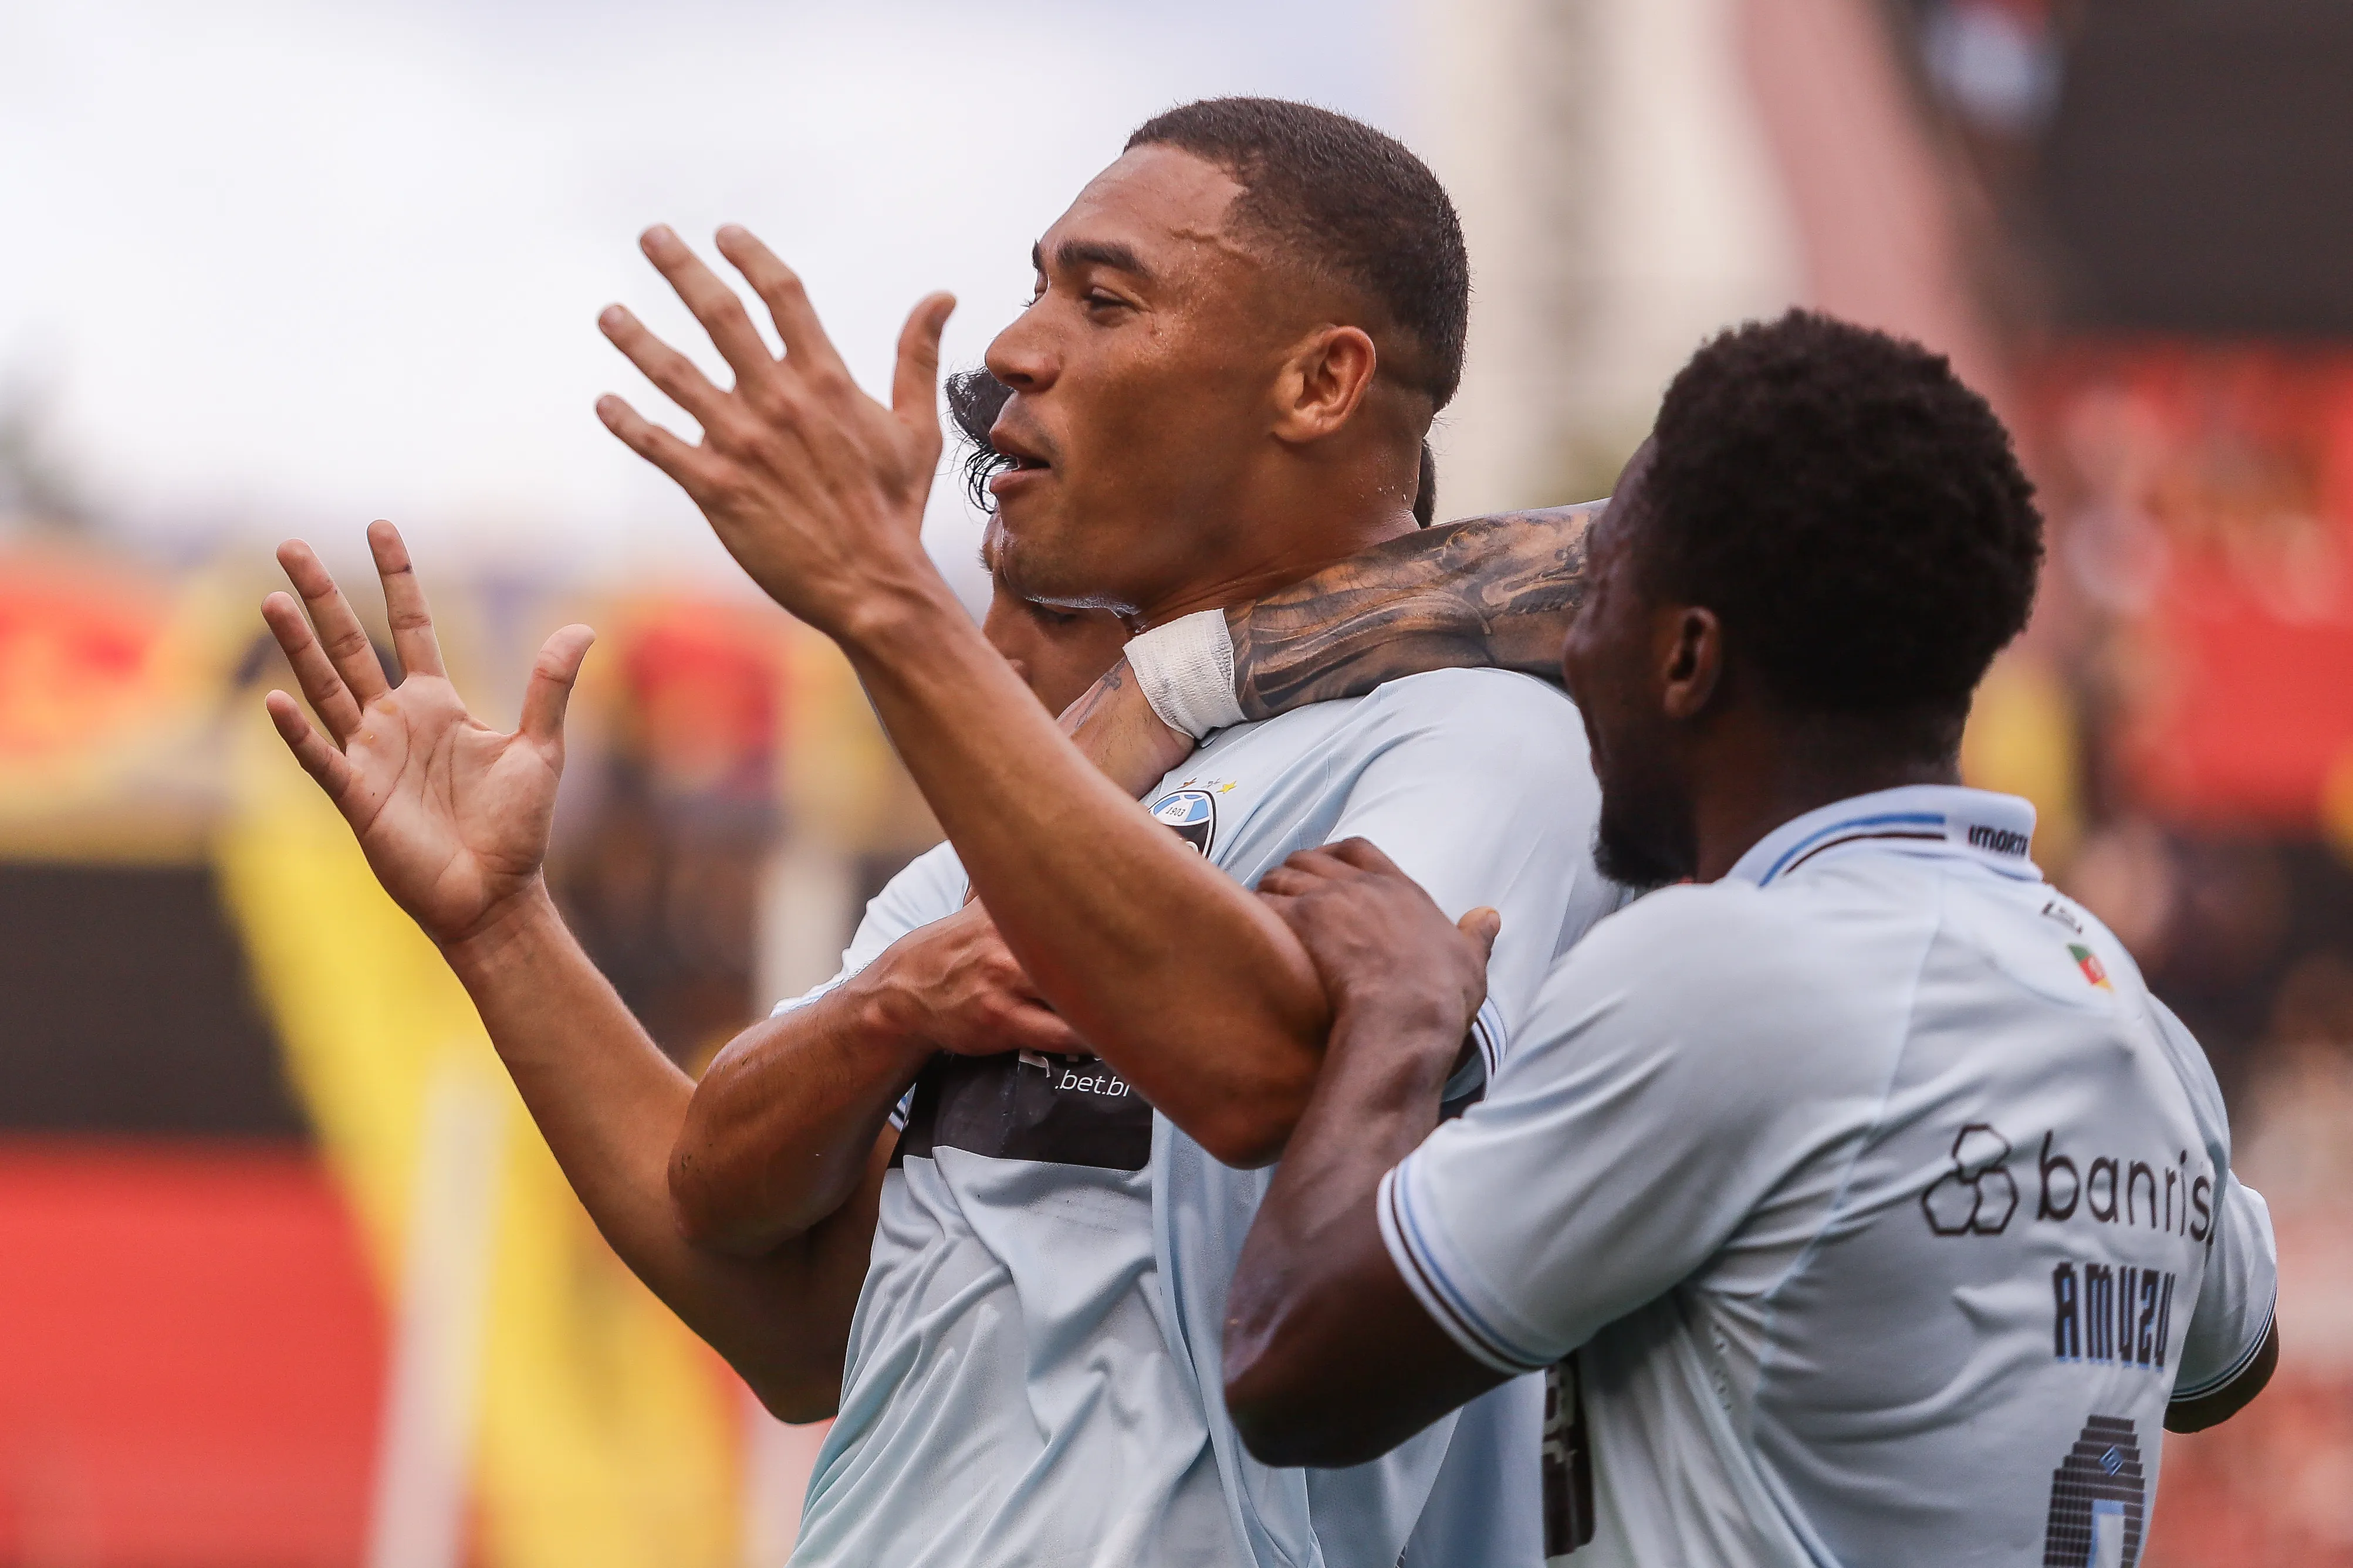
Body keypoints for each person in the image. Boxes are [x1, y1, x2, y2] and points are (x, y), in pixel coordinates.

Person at [262, 96, 1617, 1568]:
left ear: (1320, 381)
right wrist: (502, 923)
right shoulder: (1020, 839)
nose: (1016, 347)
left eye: (1103, 300)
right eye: (1035, 288)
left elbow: (1277, 1074)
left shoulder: (1484, 746)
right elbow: (786, 1312)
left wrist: (882, 602)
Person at [1217, 311, 2280, 1566]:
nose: (1570, 649)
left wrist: (1399, 1018)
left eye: (1595, 597)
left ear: (1685, 657)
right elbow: (2224, 1359)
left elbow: (1288, 1373)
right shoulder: (2123, 1017)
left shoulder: (1725, 976)